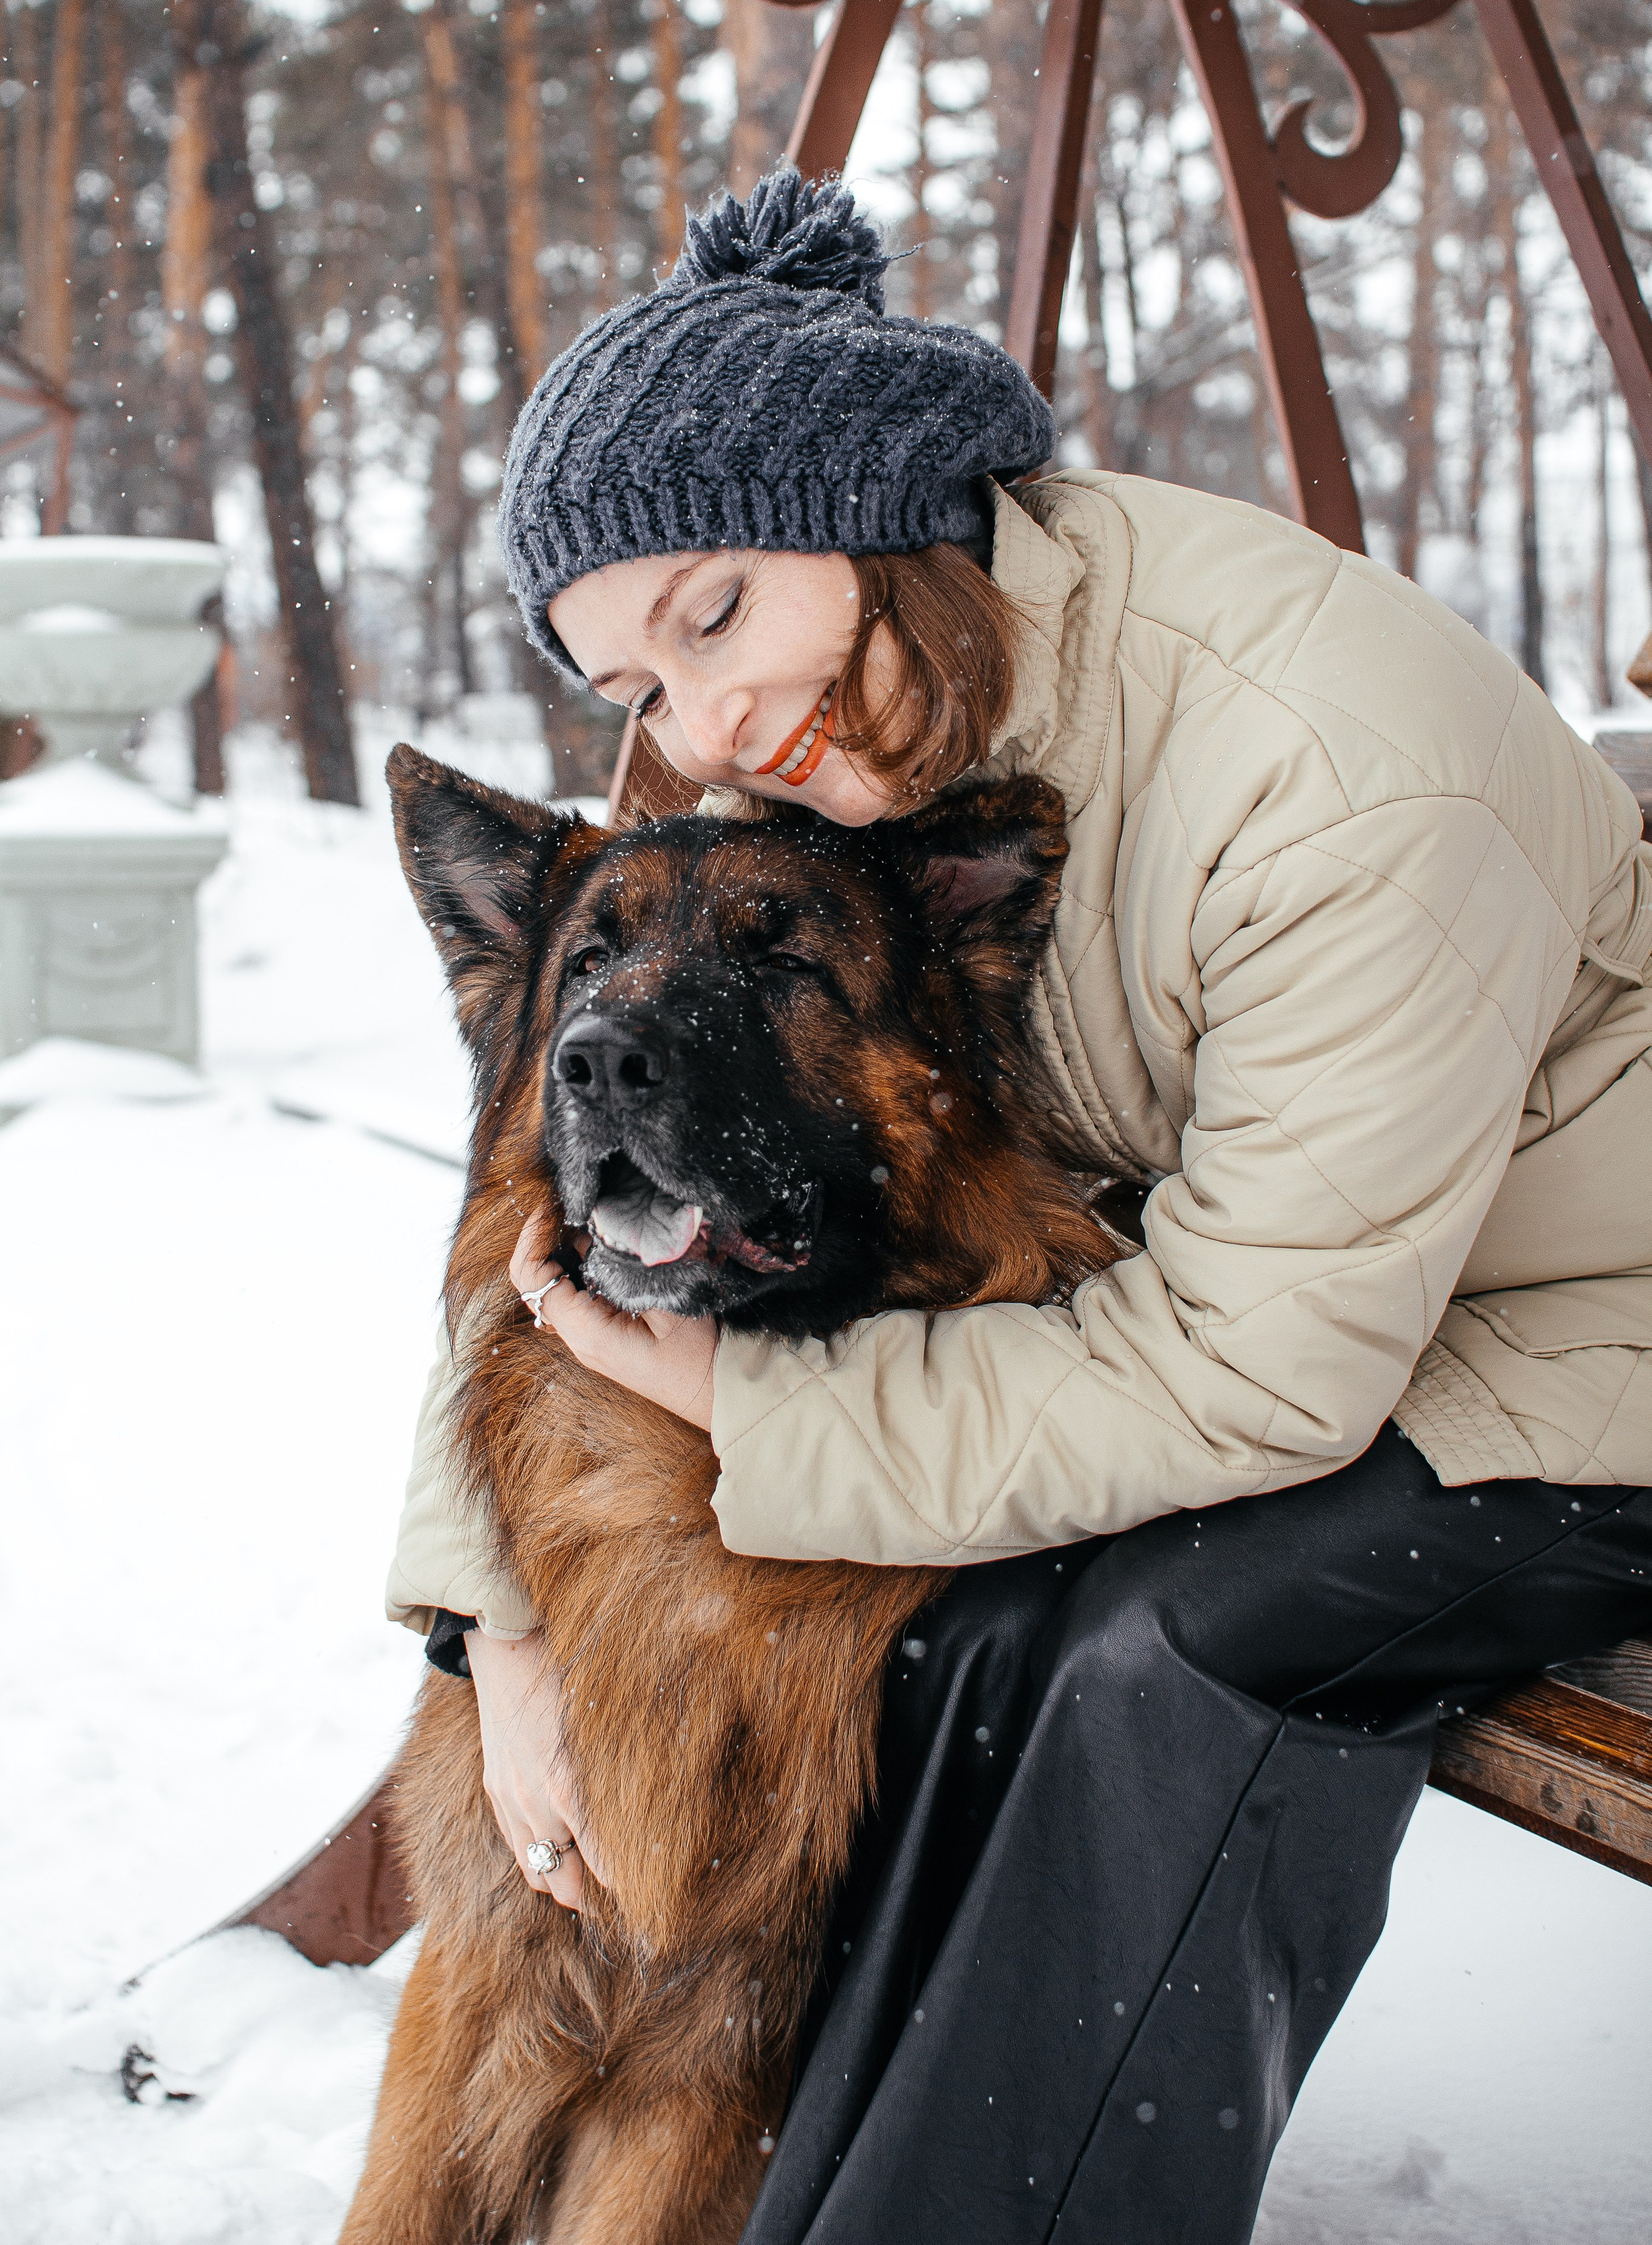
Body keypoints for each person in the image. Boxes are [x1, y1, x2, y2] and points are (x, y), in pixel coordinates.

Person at [384, 168, 1652, 2243]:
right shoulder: (821, 735)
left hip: (1592, 1334)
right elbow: (538, 1198)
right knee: (960, 1644)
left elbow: (1259, 1383)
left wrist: (745, 1411)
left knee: (1174, 1650)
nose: (697, 731)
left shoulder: (1331, 769)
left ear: (888, 504)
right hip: (1319, 1307)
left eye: (713, 614)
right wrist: (490, 1630)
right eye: (628, 687)